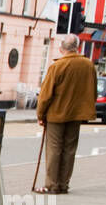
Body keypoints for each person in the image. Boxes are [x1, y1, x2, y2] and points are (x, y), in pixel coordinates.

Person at [36, 34, 97, 195]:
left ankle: (51, 185)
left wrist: (40, 114)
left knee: (54, 149)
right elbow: (93, 90)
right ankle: (64, 184)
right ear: (77, 47)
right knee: (69, 149)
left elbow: (46, 94)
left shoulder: (57, 66)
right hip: (76, 114)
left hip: (56, 114)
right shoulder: (88, 65)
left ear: (62, 48)